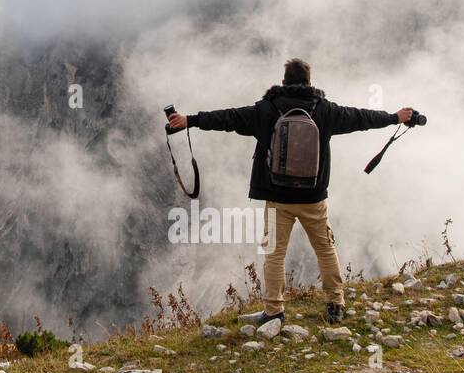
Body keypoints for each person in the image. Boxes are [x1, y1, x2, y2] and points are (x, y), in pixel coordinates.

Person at [166, 58, 413, 325]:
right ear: (309, 82)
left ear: (283, 82)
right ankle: (335, 304)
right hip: (313, 198)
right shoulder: (326, 111)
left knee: (274, 253)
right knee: (325, 249)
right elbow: (362, 118)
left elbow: (228, 118)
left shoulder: (266, 109)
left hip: (277, 197)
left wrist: (190, 120)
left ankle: (274, 310)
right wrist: (394, 118)